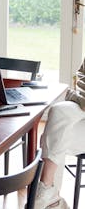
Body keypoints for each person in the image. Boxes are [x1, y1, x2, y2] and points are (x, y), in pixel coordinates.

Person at [34, 60, 85, 209]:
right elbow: (82, 75)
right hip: (82, 103)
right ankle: (48, 192)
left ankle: (46, 200)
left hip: (81, 102)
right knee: (59, 113)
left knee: (52, 138)